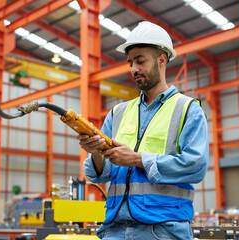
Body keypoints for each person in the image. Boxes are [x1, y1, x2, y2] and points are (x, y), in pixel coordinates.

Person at [77, 21, 209, 240]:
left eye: (140, 61)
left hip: (163, 229)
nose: (133, 69)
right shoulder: (118, 112)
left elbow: (195, 167)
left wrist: (138, 159)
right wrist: (96, 152)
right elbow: (100, 174)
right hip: (114, 229)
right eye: (130, 62)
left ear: (161, 60)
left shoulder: (187, 110)